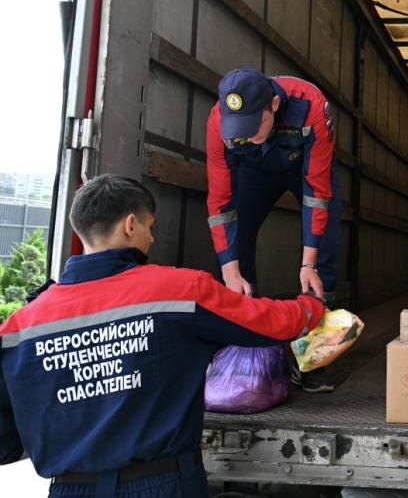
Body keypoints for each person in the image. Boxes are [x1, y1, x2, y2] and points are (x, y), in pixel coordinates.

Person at [0, 175, 325, 498]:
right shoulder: (180, 291)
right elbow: (267, 323)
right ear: (130, 224)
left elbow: (5, 443)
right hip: (162, 484)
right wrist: (311, 307)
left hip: (69, 489)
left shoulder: (19, 328)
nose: (152, 238)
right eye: (149, 226)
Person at [205, 68, 341, 393]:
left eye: (256, 125)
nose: (249, 135)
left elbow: (317, 193)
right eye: (241, 129)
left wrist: (308, 264)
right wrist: (229, 269)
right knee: (236, 253)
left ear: (275, 104)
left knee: (324, 258)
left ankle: (314, 362)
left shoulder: (311, 105)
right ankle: (242, 357)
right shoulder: (218, 119)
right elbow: (220, 202)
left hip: (306, 169)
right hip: (254, 171)